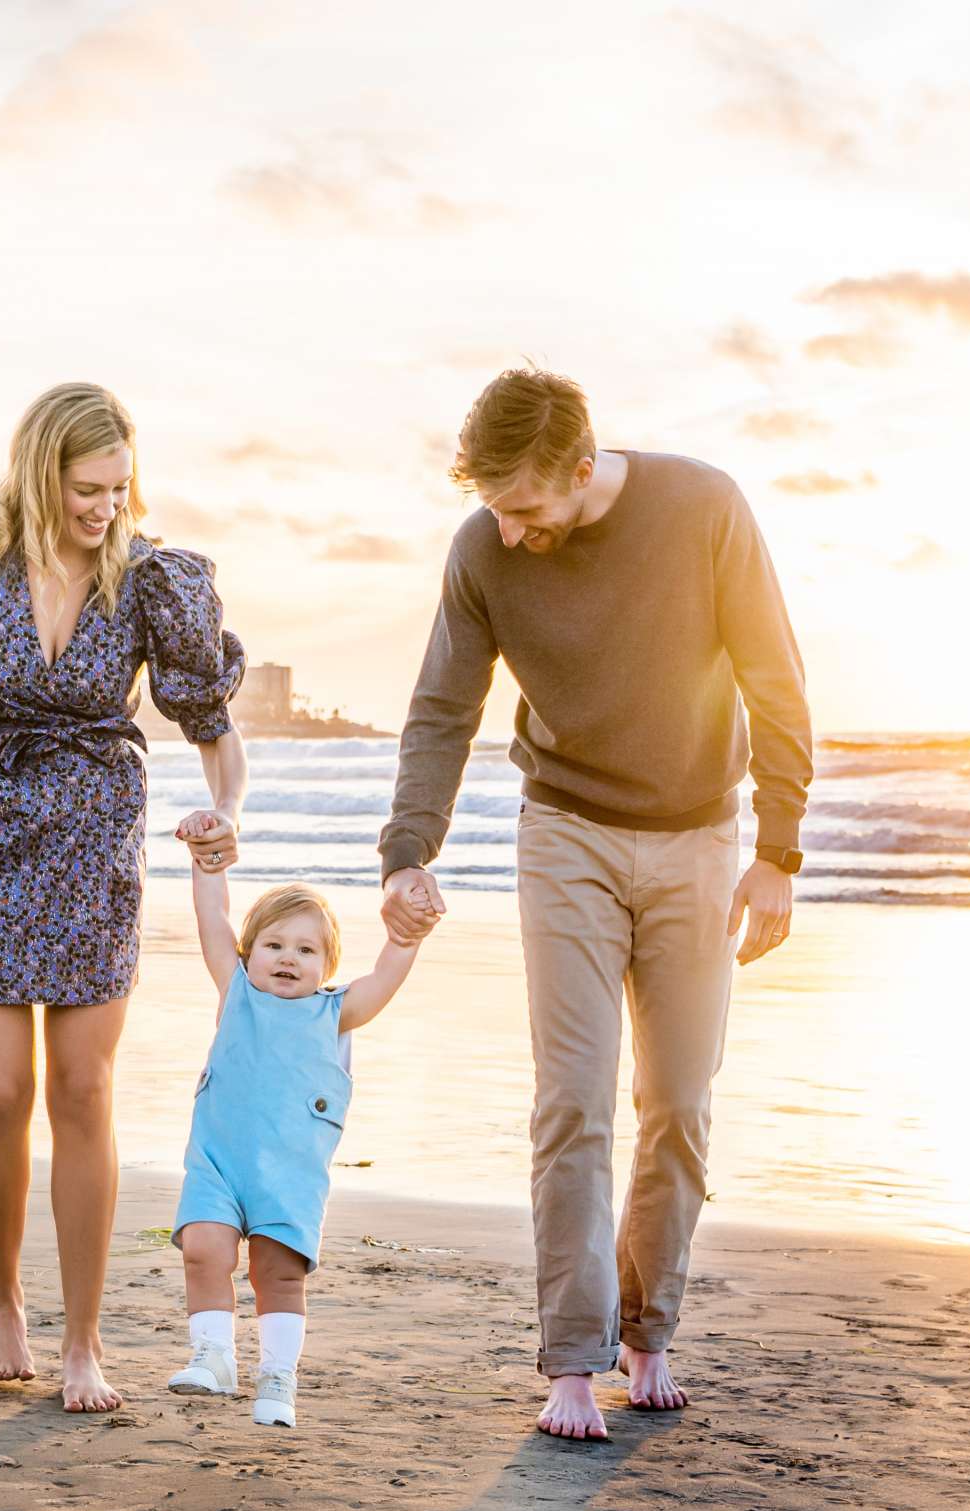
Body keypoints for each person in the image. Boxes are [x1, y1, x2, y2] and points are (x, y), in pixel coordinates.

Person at [378, 367, 813, 1441]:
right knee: (573, 1100)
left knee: (678, 1104)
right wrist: (406, 851)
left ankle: (646, 1333)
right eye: (493, 506)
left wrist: (779, 850)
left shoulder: (702, 506)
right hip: (564, 831)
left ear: (581, 468)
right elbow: (445, 706)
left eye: (527, 507)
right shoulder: (483, 548)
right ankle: (571, 1361)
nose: (512, 530)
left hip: (701, 839)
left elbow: (774, 674)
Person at [0, 381, 247, 1414]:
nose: (105, 507)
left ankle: (83, 1340)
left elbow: (211, 724)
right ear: (39, 472)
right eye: (86, 487)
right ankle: (1, 1299)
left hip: (93, 837)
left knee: (83, 1087)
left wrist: (226, 810)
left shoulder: (151, 578)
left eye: (119, 487)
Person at [163, 841, 433, 1428]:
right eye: (274, 945)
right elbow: (212, 922)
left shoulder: (335, 1012)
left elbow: (385, 977)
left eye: (306, 950)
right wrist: (207, 869)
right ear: (249, 952)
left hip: (290, 1175)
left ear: (327, 966)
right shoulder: (236, 992)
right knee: (204, 1250)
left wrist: (406, 937)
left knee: (277, 1272)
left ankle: (277, 1377)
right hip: (218, 1163)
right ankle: (213, 1356)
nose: (288, 959)